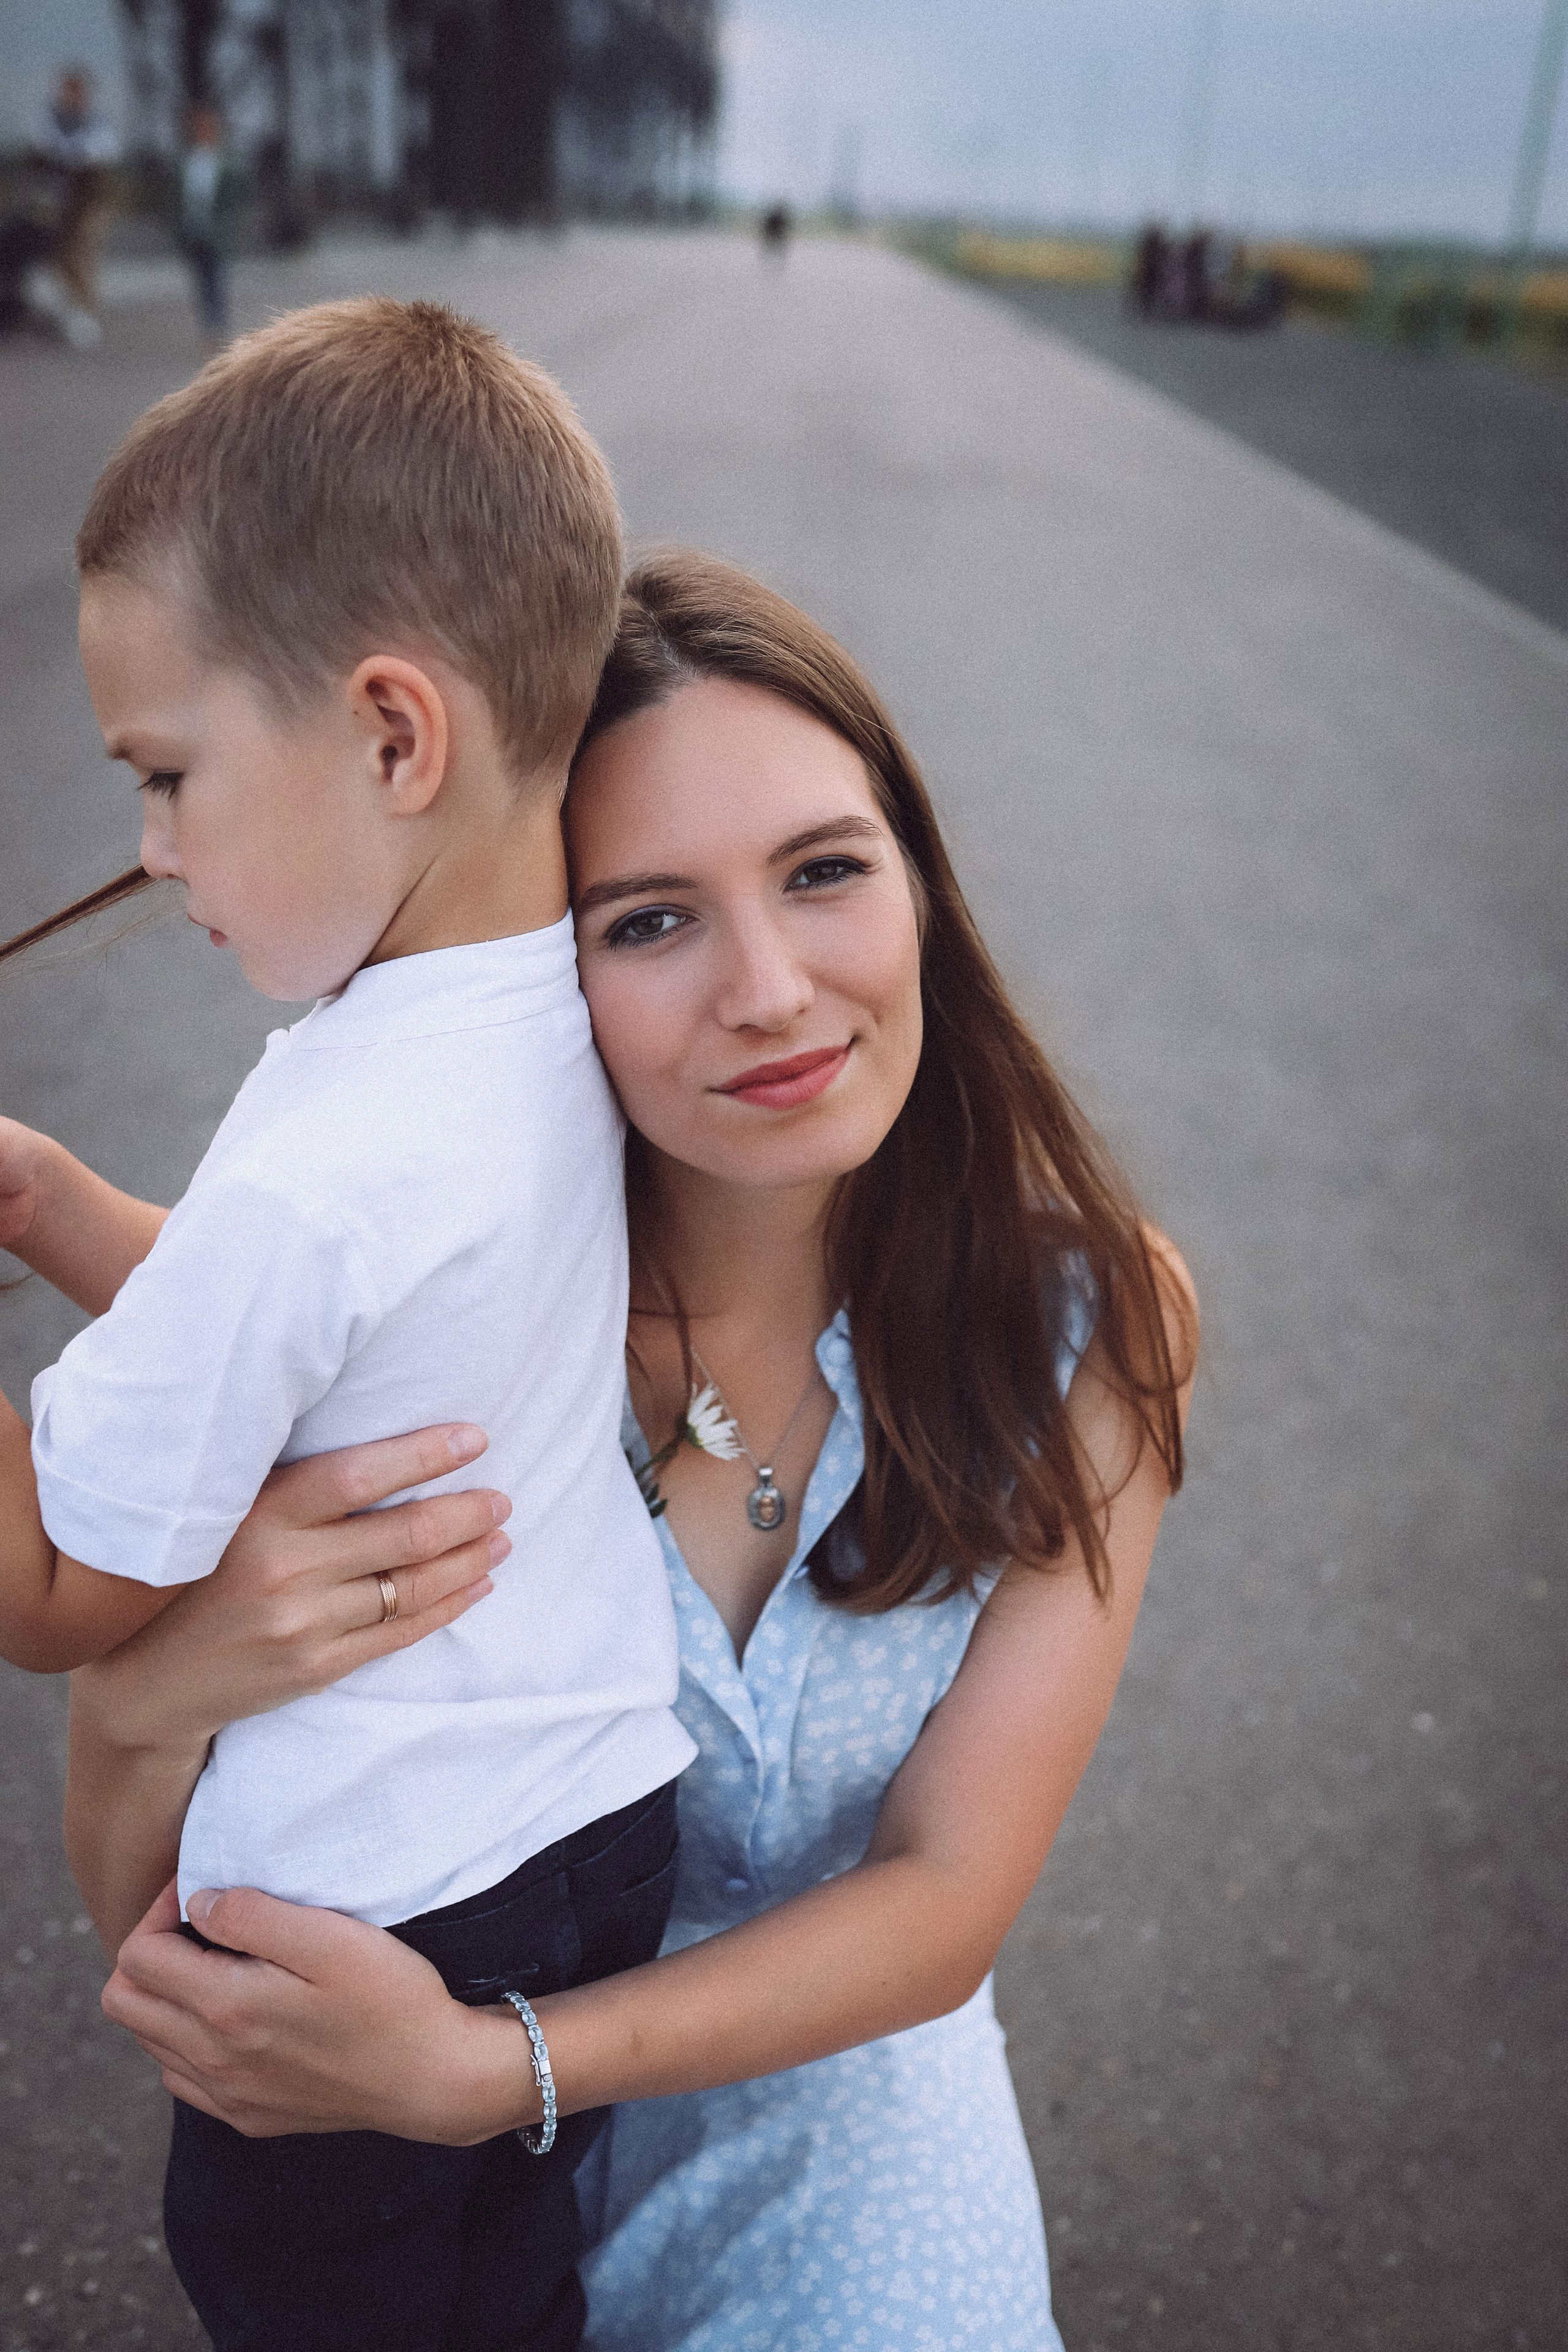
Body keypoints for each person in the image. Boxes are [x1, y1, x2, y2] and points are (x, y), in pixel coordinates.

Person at [8, 552, 1197, 2346]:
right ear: (534, 979)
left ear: (918, 882)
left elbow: (944, 1896)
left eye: (822, 871)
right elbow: (171, 1945)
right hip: (413, 2170)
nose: (775, 989)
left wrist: (491, 2066)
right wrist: (158, 1687)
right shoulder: (414, 1316)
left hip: (821, 2121)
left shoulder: (1085, 1324)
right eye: (647, 918)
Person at [0, 303, 697, 2351]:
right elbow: (328, 1348)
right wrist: (52, 1213)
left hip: (359, 1934)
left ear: (395, 737)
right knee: (506, 2298)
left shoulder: (320, 1150)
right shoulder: (573, 1003)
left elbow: (59, 1582)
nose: (150, 855)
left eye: (168, 776)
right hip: (589, 1845)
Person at [26, 65, 120, 347]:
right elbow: (39, 149)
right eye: (68, 90)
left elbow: (99, 155)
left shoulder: (97, 124)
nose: (72, 96)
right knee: (58, 258)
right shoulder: (48, 119)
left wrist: (70, 155)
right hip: (56, 205)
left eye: (77, 91)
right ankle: (73, 310)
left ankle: (85, 314)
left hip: (90, 205)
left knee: (82, 254)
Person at [175, 104, 248, 345]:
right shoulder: (185, 161)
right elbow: (177, 198)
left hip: (217, 232)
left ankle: (218, 326)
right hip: (193, 230)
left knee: (217, 278)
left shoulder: (227, 164)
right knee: (200, 280)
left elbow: (237, 198)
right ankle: (206, 326)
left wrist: (229, 225)